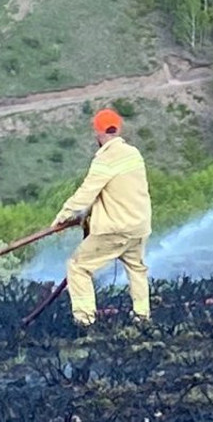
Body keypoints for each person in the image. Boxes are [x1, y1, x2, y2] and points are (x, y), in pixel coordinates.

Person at [53, 108, 152, 327]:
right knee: (137, 268)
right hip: (139, 227)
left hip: (114, 229)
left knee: (78, 267)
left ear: (97, 133)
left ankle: (85, 321)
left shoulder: (105, 160)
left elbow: (86, 194)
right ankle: (142, 317)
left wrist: (63, 216)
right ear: (118, 129)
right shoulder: (134, 154)